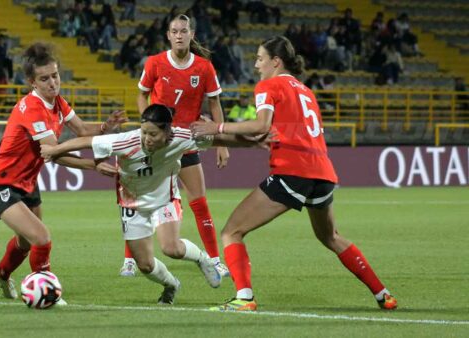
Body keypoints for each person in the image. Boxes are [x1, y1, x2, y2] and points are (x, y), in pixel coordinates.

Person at [191, 36, 398, 312]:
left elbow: (261, 125)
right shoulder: (306, 91)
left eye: (260, 58)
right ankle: (383, 294)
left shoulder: (269, 85)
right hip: (323, 173)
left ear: (276, 61)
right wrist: (225, 139)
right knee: (331, 237)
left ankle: (244, 297)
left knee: (232, 231)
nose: (256, 65)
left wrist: (216, 129)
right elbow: (271, 134)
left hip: (292, 171)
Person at [41, 104, 267, 304]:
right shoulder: (125, 141)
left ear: (167, 132)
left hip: (164, 199)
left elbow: (221, 139)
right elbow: (85, 142)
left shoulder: (181, 137)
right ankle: (171, 285)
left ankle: (202, 258)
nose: (147, 138)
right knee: (145, 265)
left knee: (172, 248)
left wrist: (256, 141)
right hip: (131, 203)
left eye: (153, 134)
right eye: (144, 132)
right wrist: (53, 150)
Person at [0, 42, 126, 302]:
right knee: (42, 238)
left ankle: (2, 274)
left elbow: (82, 131)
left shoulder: (57, 102)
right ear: (32, 82)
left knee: (25, 242)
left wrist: (106, 126)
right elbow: (53, 152)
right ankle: (47, 292)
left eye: (55, 75)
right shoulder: (32, 108)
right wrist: (93, 165)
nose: (52, 83)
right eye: (44, 78)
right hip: (1, 184)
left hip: (27, 182)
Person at [127, 13, 230, 278]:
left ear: (192, 34)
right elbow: (141, 93)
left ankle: (215, 259)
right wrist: (147, 126)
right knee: (140, 198)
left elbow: (215, 103)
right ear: (169, 35)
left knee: (199, 201)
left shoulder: (204, 67)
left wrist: (221, 143)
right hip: (158, 144)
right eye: (175, 31)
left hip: (186, 143)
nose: (179, 35)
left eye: (184, 31)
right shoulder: (155, 63)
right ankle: (129, 258)